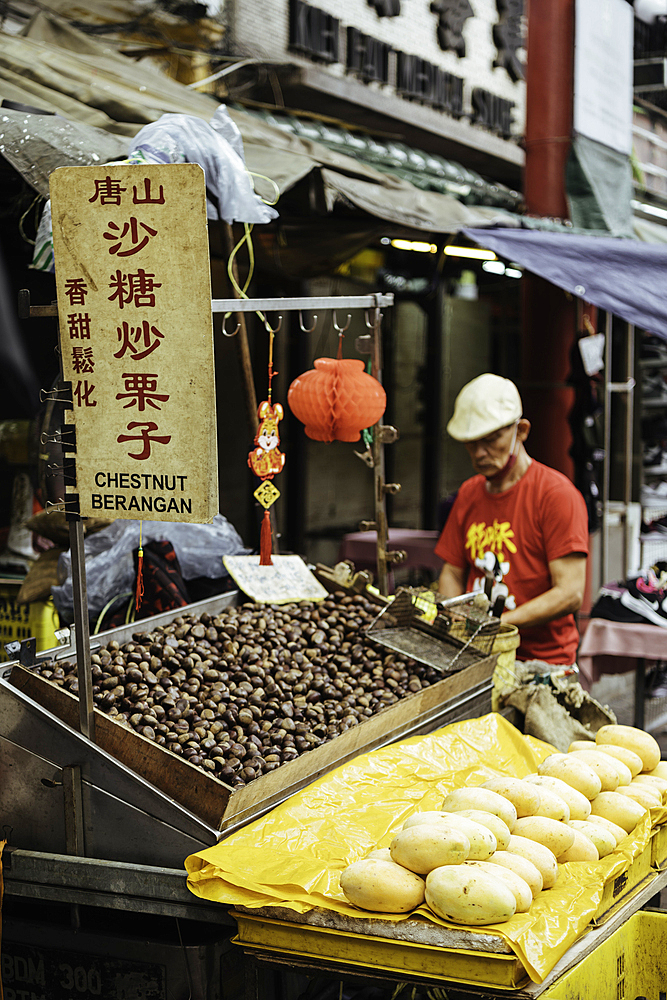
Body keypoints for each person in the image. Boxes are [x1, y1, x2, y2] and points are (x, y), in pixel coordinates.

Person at [435, 373, 589, 666]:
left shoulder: (556, 495)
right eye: (471, 443)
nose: (480, 453)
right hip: (475, 655)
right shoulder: (468, 494)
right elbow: (452, 572)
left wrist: (498, 624)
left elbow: (569, 593)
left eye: (491, 440)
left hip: (541, 662)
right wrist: (454, 615)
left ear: (522, 430)